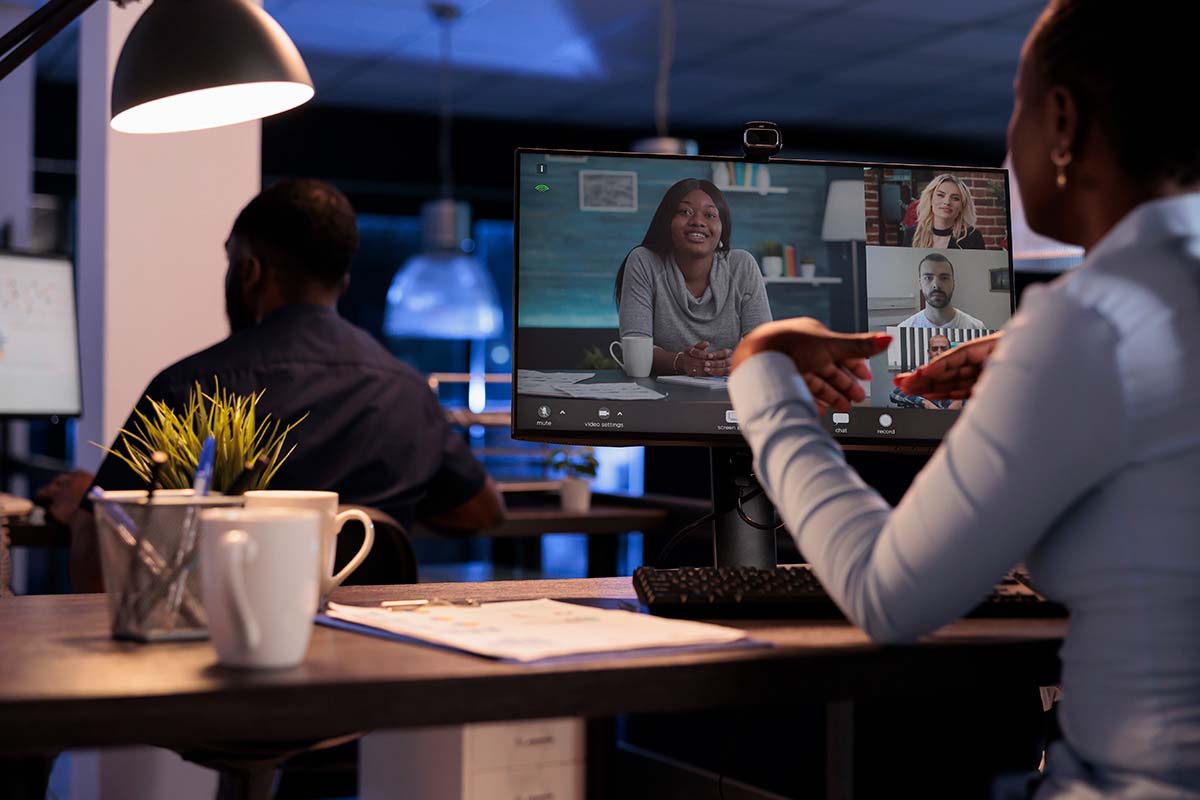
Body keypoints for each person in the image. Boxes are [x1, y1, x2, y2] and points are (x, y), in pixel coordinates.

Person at [727, 0, 1200, 795]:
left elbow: (887, 592)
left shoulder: (1089, 322)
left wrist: (762, 370)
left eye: (1015, 106)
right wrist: (1026, 359)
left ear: (1060, 120)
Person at [62, 179, 505, 592]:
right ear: (343, 281)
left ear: (250, 271)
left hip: (233, 649)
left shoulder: (191, 388)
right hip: (374, 655)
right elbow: (483, 511)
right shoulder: (408, 391)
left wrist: (88, 509)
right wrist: (391, 496)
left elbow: (96, 572)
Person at [614, 178, 771, 378]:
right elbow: (636, 349)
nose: (698, 221)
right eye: (685, 212)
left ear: (722, 229)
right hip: (658, 397)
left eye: (710, 215)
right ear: (667, 221)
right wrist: (680, 362)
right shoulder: (644, 261)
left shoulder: (742, 265)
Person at [897, 253, 987, 328]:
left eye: (944, 278)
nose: (936, 285)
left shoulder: (977, 327)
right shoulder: (905, 329)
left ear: (953, 283)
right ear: (920, 283)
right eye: (928, 278)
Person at [903, 172, 987, 249]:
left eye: (955, 198)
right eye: (940, 195)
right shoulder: (912, 234)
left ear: (962, 206)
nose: (947, 202)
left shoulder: (973, 236)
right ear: (930, 199)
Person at [887, 335, 963, 409]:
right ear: (929, 352)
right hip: (924, 418)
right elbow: (895, 394)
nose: (939, 352)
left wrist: (959, 400)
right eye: (934, 349)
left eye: (943, 349)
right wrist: (924, 402)